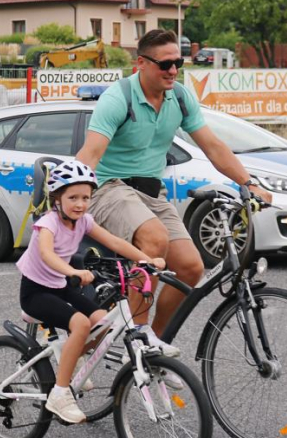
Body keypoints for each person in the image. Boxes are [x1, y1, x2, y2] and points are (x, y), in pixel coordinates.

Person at [77, 29, 273, 356]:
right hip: (110, 188)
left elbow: (212, 146)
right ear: (140, 63)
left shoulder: (180, 97)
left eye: (178, 63)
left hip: (151, 193)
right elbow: (91, 153)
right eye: (165, 63)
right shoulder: (118, 98)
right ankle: (138, 340)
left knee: (190, 267)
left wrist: (248, 183)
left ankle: (154, 342)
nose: (172, 70)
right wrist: (69, 197)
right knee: (155, 240)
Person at [16, 159, 165, 424]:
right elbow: (47, 254)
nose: (80, 204)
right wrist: (72, 271)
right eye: (73, 197)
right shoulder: (47, 225)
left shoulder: (83, 221)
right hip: (36, 292)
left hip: (61, 286)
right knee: (81, 323)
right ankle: (60, 394)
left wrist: (147, 260)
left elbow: (114, 241)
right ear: (57, 199)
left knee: (103, 322)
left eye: (86, 197)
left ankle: (72, 359)